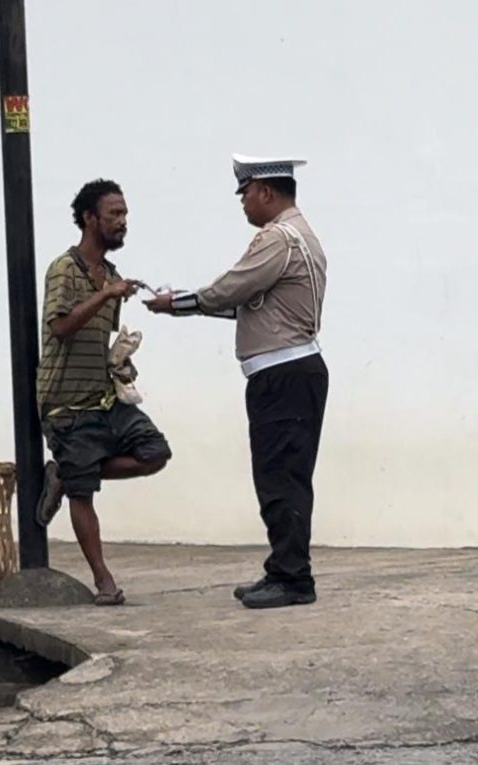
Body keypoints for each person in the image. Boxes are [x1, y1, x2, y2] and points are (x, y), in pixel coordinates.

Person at [145, 155, 328, 609]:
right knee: (282, 475)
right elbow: (246, 304)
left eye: (245, 193)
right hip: (289, 373)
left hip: (282, 376)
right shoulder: (297, 236)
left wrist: (176, 304)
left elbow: (230, 290)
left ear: (265, 191)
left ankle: (292, 578)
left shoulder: (277, 239)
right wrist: (191, 303)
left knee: (279, 476)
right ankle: (284, 569)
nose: (243, 204)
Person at [36, 178, 172, 606]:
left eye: (125, 214)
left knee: (155, 452)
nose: (122, 222)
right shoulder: (65, 269)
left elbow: (94, 338)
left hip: (104, 398)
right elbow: (60, 327)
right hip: (65, 405)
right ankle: (103, 582)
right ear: (89, 218)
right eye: (114, 214)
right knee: (83, 492)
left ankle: (70, 470)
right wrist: (105, 294)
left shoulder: (112, 276)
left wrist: (119, 359)